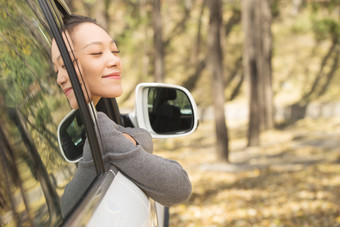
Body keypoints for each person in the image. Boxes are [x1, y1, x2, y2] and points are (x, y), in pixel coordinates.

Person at [51, 14, 192, 216]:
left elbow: (140, 138)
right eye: (97, 52)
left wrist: (133, 140)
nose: (114, 60)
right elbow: (180, 186)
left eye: (114, 51)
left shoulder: (99, 126)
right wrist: (129, 142)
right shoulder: (101, 132)